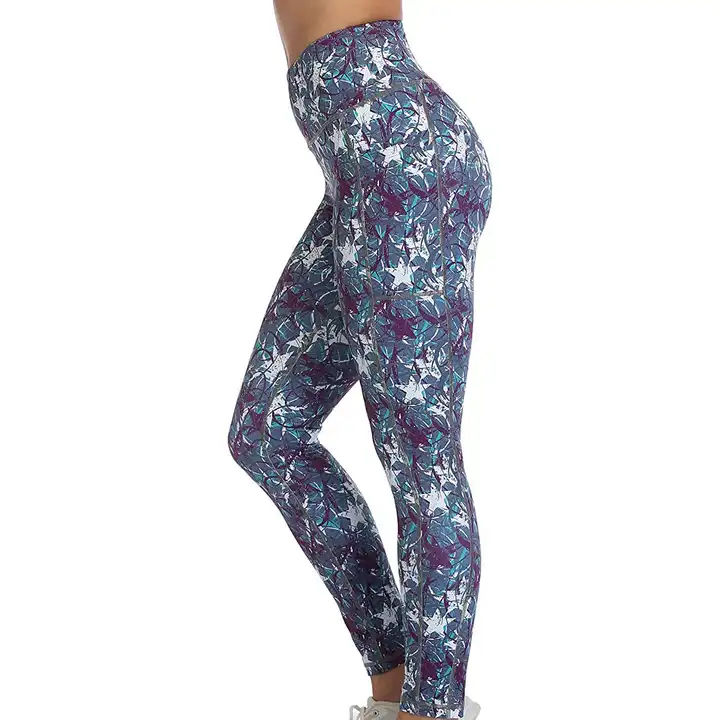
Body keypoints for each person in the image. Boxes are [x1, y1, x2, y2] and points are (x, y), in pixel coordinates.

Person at [228, 2, 492, 718]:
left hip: (397, 150)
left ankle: (431, 710)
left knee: (420, 457)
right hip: (363, 163)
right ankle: (395, 684)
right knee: (266, 432)